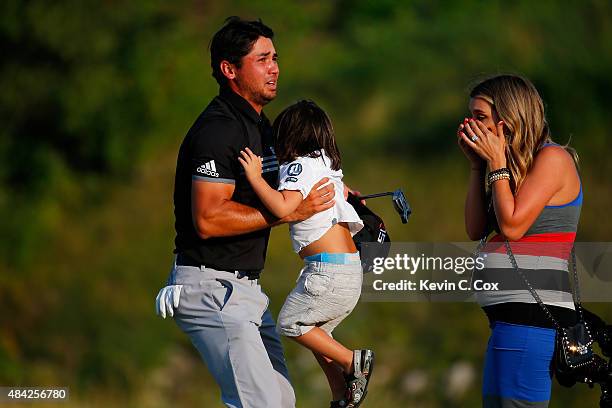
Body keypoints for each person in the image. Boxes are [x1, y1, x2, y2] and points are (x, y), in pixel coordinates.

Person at [154, 17, 337, 408]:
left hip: (246, 290)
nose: (274, 67)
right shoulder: (219, 129)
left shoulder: (260, 125)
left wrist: (344, 195)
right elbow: (208, 219)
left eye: (275, 58)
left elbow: (295, 179)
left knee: (283, 400)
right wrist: (285, 215)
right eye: (262, 59)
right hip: (211, 289)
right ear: (229, 69)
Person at [238, 100, 375, 408]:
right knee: (317, 334)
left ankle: (353, 362)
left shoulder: (298, 166)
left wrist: (255, 178)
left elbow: (284, 208)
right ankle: (342, 394)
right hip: (348, 270)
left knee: (290, 323)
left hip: (328, 273)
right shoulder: (326, 162)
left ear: (289, 137)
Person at [458, 74, 582, 407]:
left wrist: (497, 162)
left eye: (481, 117)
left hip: (530, 320)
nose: (472, 126)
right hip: (508, 320)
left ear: (509, 116)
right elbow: (475, 228)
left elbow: (512, 226)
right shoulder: (512, 171)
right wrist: (477, 168)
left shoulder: (553, 159)